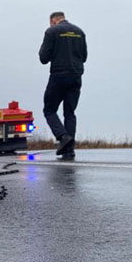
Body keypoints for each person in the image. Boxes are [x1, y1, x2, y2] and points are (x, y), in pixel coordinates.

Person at [39, 12, 87, 159]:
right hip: (76, 76)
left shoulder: (52, 31)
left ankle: (63, 136)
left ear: (53, 20)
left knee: (49, 109)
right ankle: (69, 149)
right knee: (70, 112)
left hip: (59, 76)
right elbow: (84, 57)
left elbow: (43, 58)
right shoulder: (80, 32)